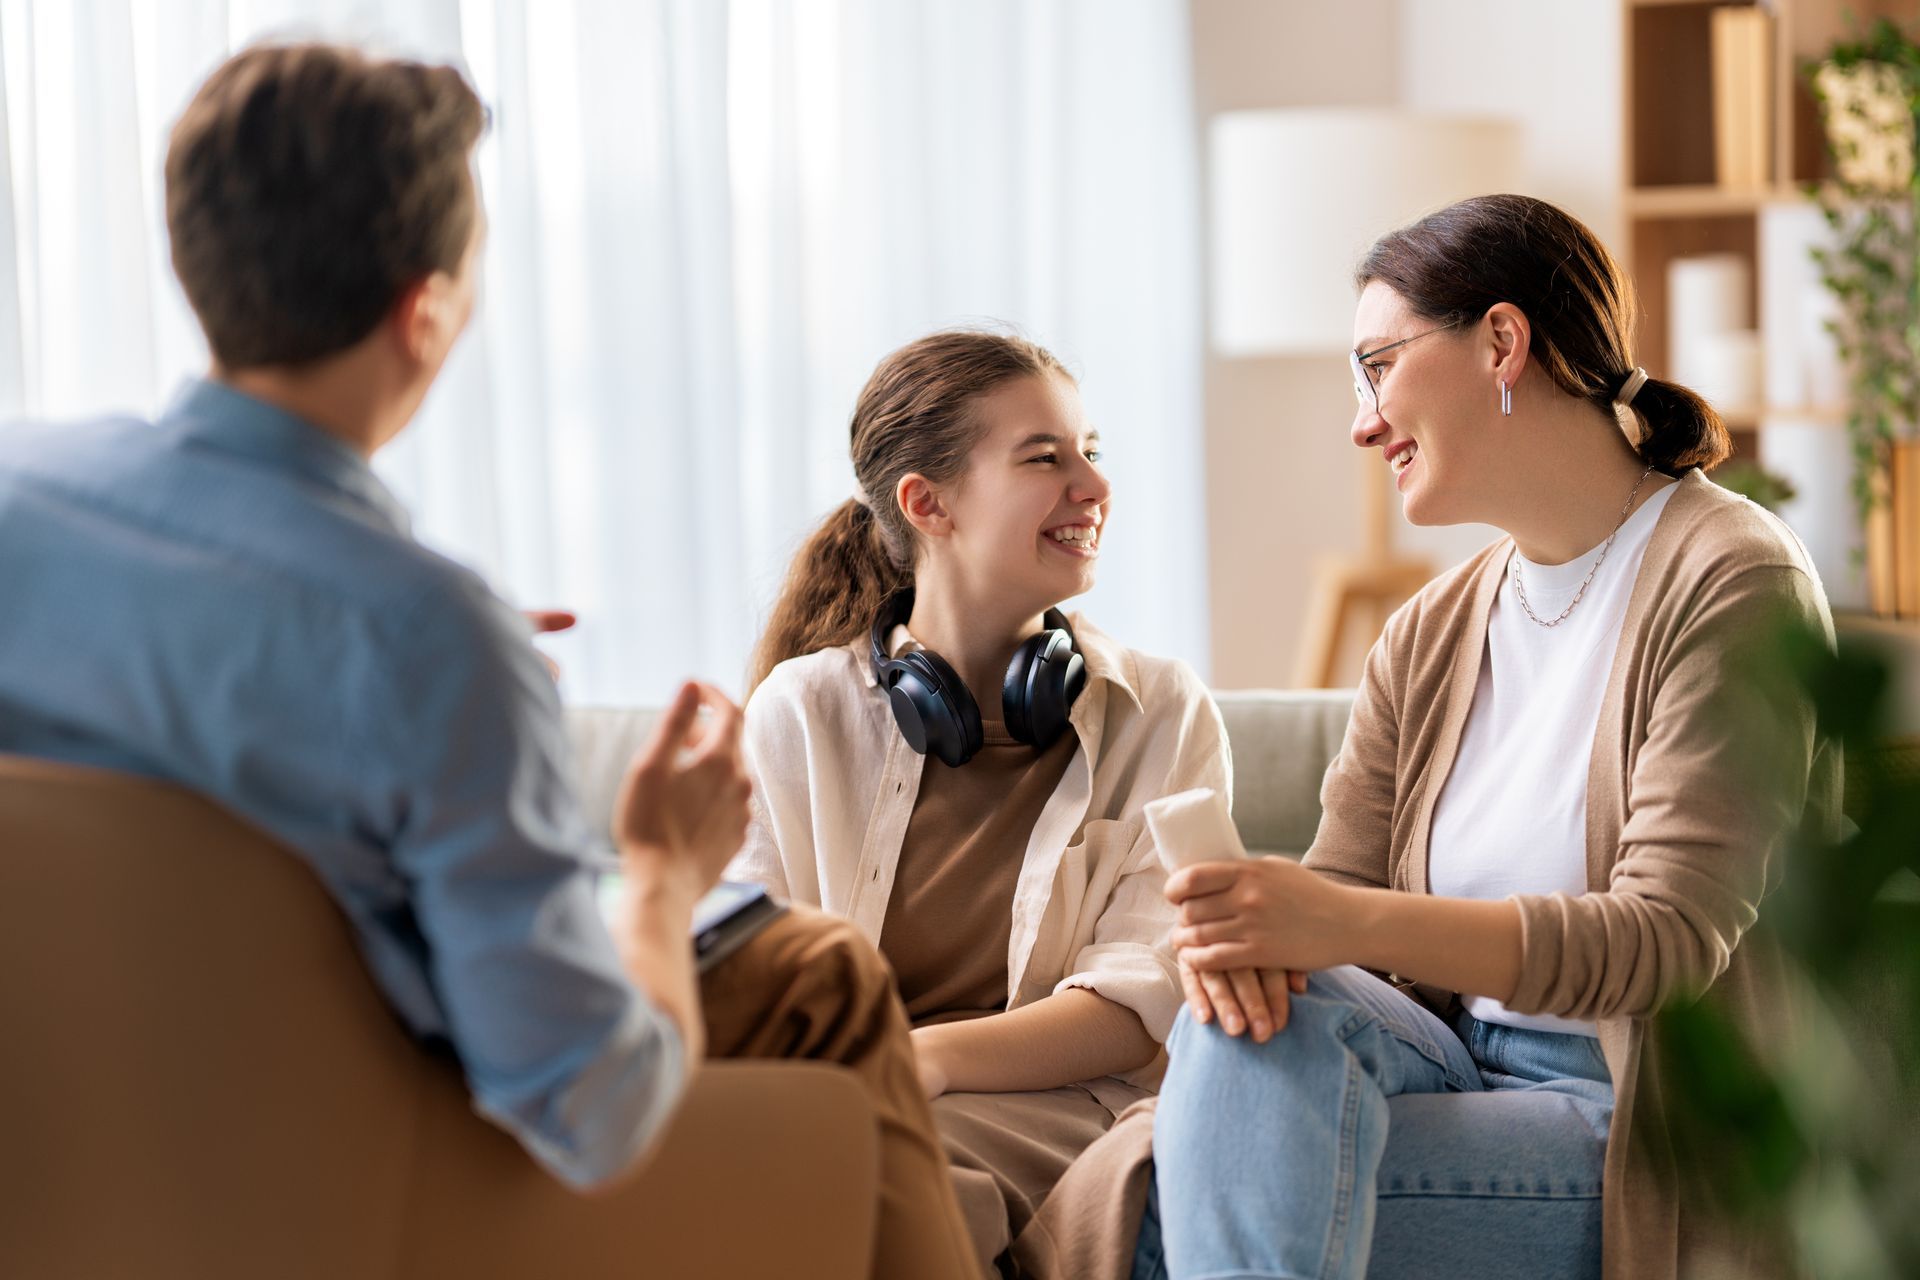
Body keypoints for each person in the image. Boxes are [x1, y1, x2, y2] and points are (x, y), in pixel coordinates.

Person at [0, 42, 973, 1279]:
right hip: (355, 1152)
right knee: (820, 967)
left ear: (196, 256)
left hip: (74, 1135)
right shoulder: (420, 634)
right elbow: (596, 1109)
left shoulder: (21, 491)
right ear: (427, 313)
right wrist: (669, 868)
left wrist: (438, 665)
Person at [1124, 194, 1838, 1280]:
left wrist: (1334, 917)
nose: (1362, 421)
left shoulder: (1732, 576)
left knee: (1163, 1210)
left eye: (1378, 365)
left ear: (1503, 341)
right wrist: (1263, 942)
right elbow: (1339, 941)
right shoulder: (1430, 630)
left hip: (1634, 1114)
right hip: (1446, 1063)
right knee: (1246, 1029)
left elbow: (1667, 941)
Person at [730, 330, 1249, 1275]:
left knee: (888, 1171)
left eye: (1090, 452)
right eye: (1044, 458)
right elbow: (757, 980)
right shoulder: (801, 713)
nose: (1091, 487)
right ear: (928, 505)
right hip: (850, 1104)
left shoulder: (1162, 711)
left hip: (1070, 1109)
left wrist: (913, 1063)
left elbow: (1136, 1005)